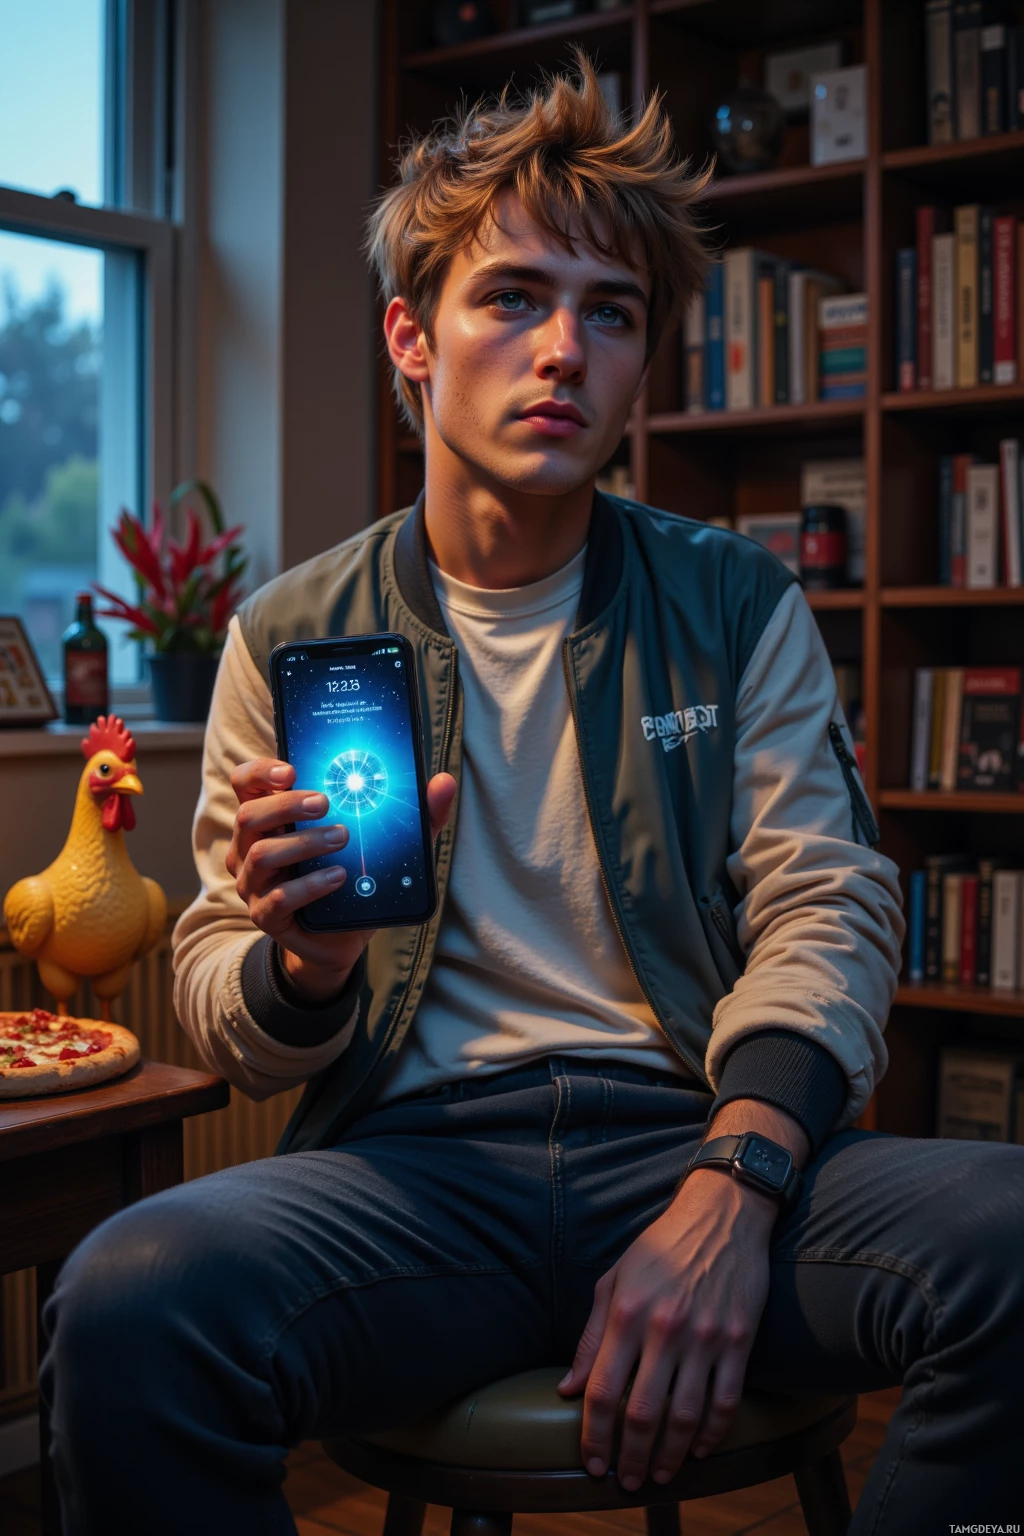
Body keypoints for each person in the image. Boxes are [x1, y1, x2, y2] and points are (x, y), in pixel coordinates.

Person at [41, 58, 1023, 1535]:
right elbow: (224, 1005)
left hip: (692, 1131)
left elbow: (832, 900)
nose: (562, 347)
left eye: (610, 312)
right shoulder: (291, 630)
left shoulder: (734, 603)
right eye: (512, 296)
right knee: (127, 1300)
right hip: (414, 1179)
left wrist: (734, 1186)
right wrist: (302, 967)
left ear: (642, 361)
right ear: (412, 338)